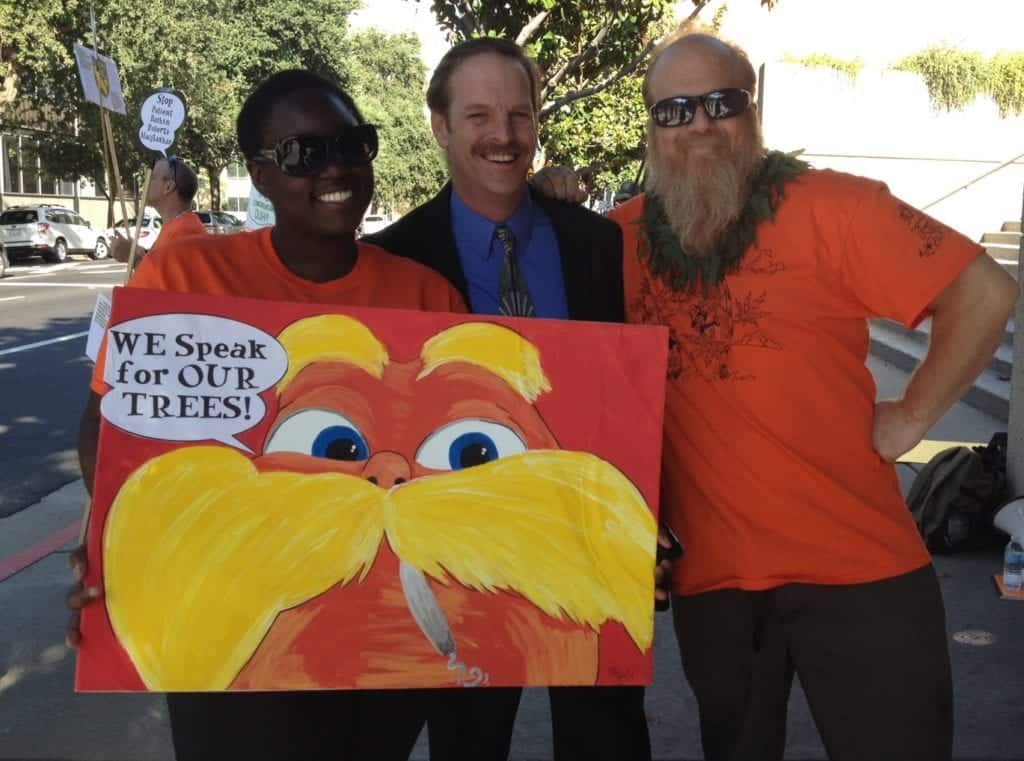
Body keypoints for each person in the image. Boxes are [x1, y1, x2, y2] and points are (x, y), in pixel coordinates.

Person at [601, 32, 1020, 761]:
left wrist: (910, 416)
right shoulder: (617, 240)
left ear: (750, 113)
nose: (698, 123)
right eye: (674, 110)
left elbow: (984, 292)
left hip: (861, 569)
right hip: (715, 584)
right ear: (650, 127)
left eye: (719, 103)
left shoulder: (834, 207)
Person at [69, 69, 465, 761]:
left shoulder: (427, 297)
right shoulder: (182, 279)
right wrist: (112, 537)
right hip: (230, 625)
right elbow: (106, 428)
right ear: (258, 173)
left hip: (384, 631)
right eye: (303, 154)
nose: (337, 166)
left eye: (352, 144)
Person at [365, 36, 665, 761]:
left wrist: (657, 523)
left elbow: (634, 388)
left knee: (609, 738)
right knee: (468, 740)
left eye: (520, 115)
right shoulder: (396, 259)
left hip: (587, 535)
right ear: (439, 126)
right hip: (456, 542)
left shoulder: (597, 241)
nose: (503, 135)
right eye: (478, 116)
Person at [110, 155, 206, 264]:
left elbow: (166, 278)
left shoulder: (183, 233)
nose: (145, 184)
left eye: (152, 178)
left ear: (168, 187)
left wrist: (134, 258)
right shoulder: (179, 226)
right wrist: (137, 251)